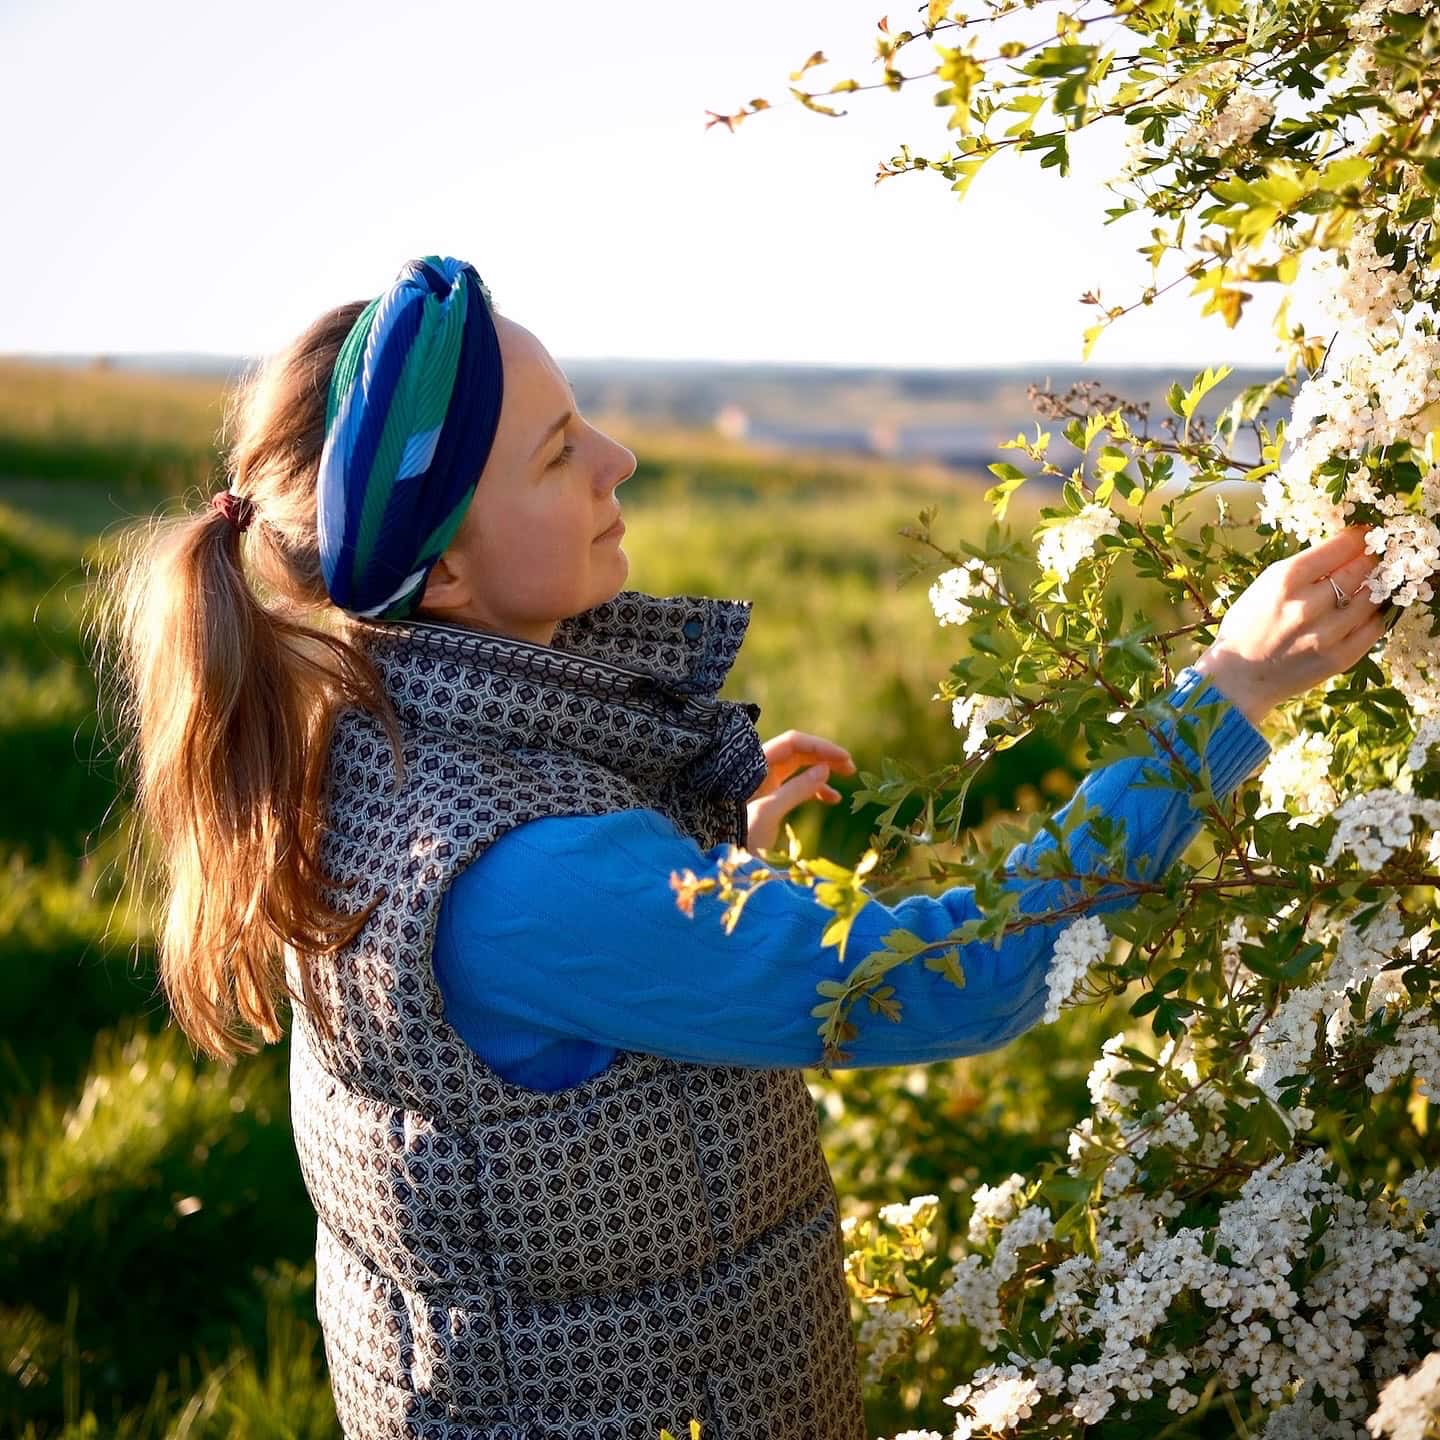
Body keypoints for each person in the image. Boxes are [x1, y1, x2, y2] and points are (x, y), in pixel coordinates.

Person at [102, 255, 1386, 1440]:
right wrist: (1227, 696)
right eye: (558, 456)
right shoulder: (531, 877)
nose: (622, 458)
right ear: (440, 576)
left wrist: (686, 858)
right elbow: (961, 976)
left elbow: (539, 1026)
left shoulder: (366, 745)